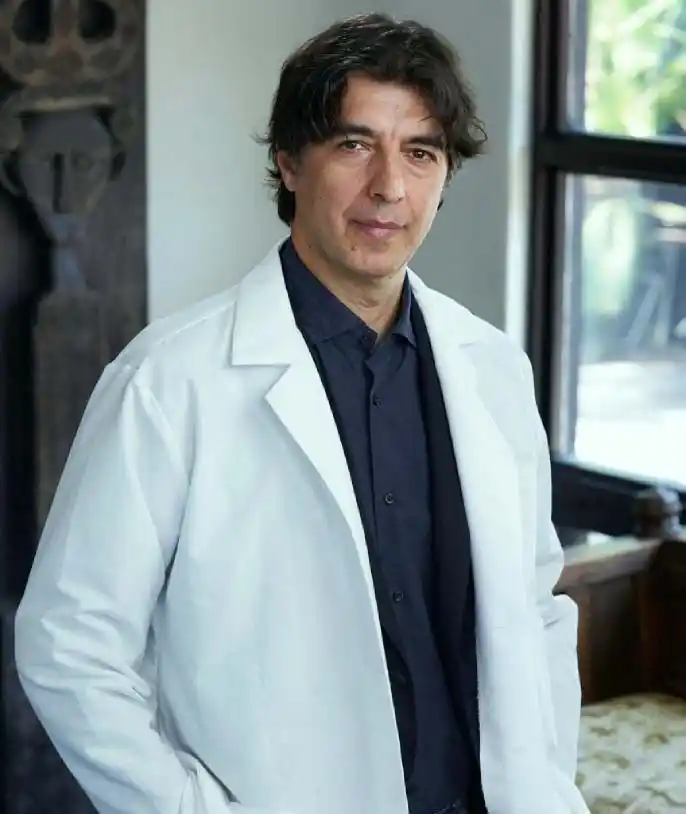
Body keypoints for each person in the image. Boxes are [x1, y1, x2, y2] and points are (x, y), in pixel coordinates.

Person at [14, 13, 588, 814]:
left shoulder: (491, 367)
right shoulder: (167, 382)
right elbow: (69, 646)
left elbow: (534, 608)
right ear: (289, 161)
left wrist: (547, 780)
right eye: (355, 145)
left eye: (421, 153)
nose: (389, 187)